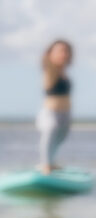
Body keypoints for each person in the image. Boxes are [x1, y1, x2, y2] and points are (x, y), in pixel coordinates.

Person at [37, 39, 73, 174]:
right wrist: (51, 56)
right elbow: (46, 60)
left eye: (66, 51)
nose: (64, 54)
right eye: (60, 51)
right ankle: (45, 164)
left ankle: (51, 162)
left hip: (65, 112)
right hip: (50, 112)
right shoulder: (49, 69)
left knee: (60, 137)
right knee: (50, 132)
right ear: (51, 53)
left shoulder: (64, 72)